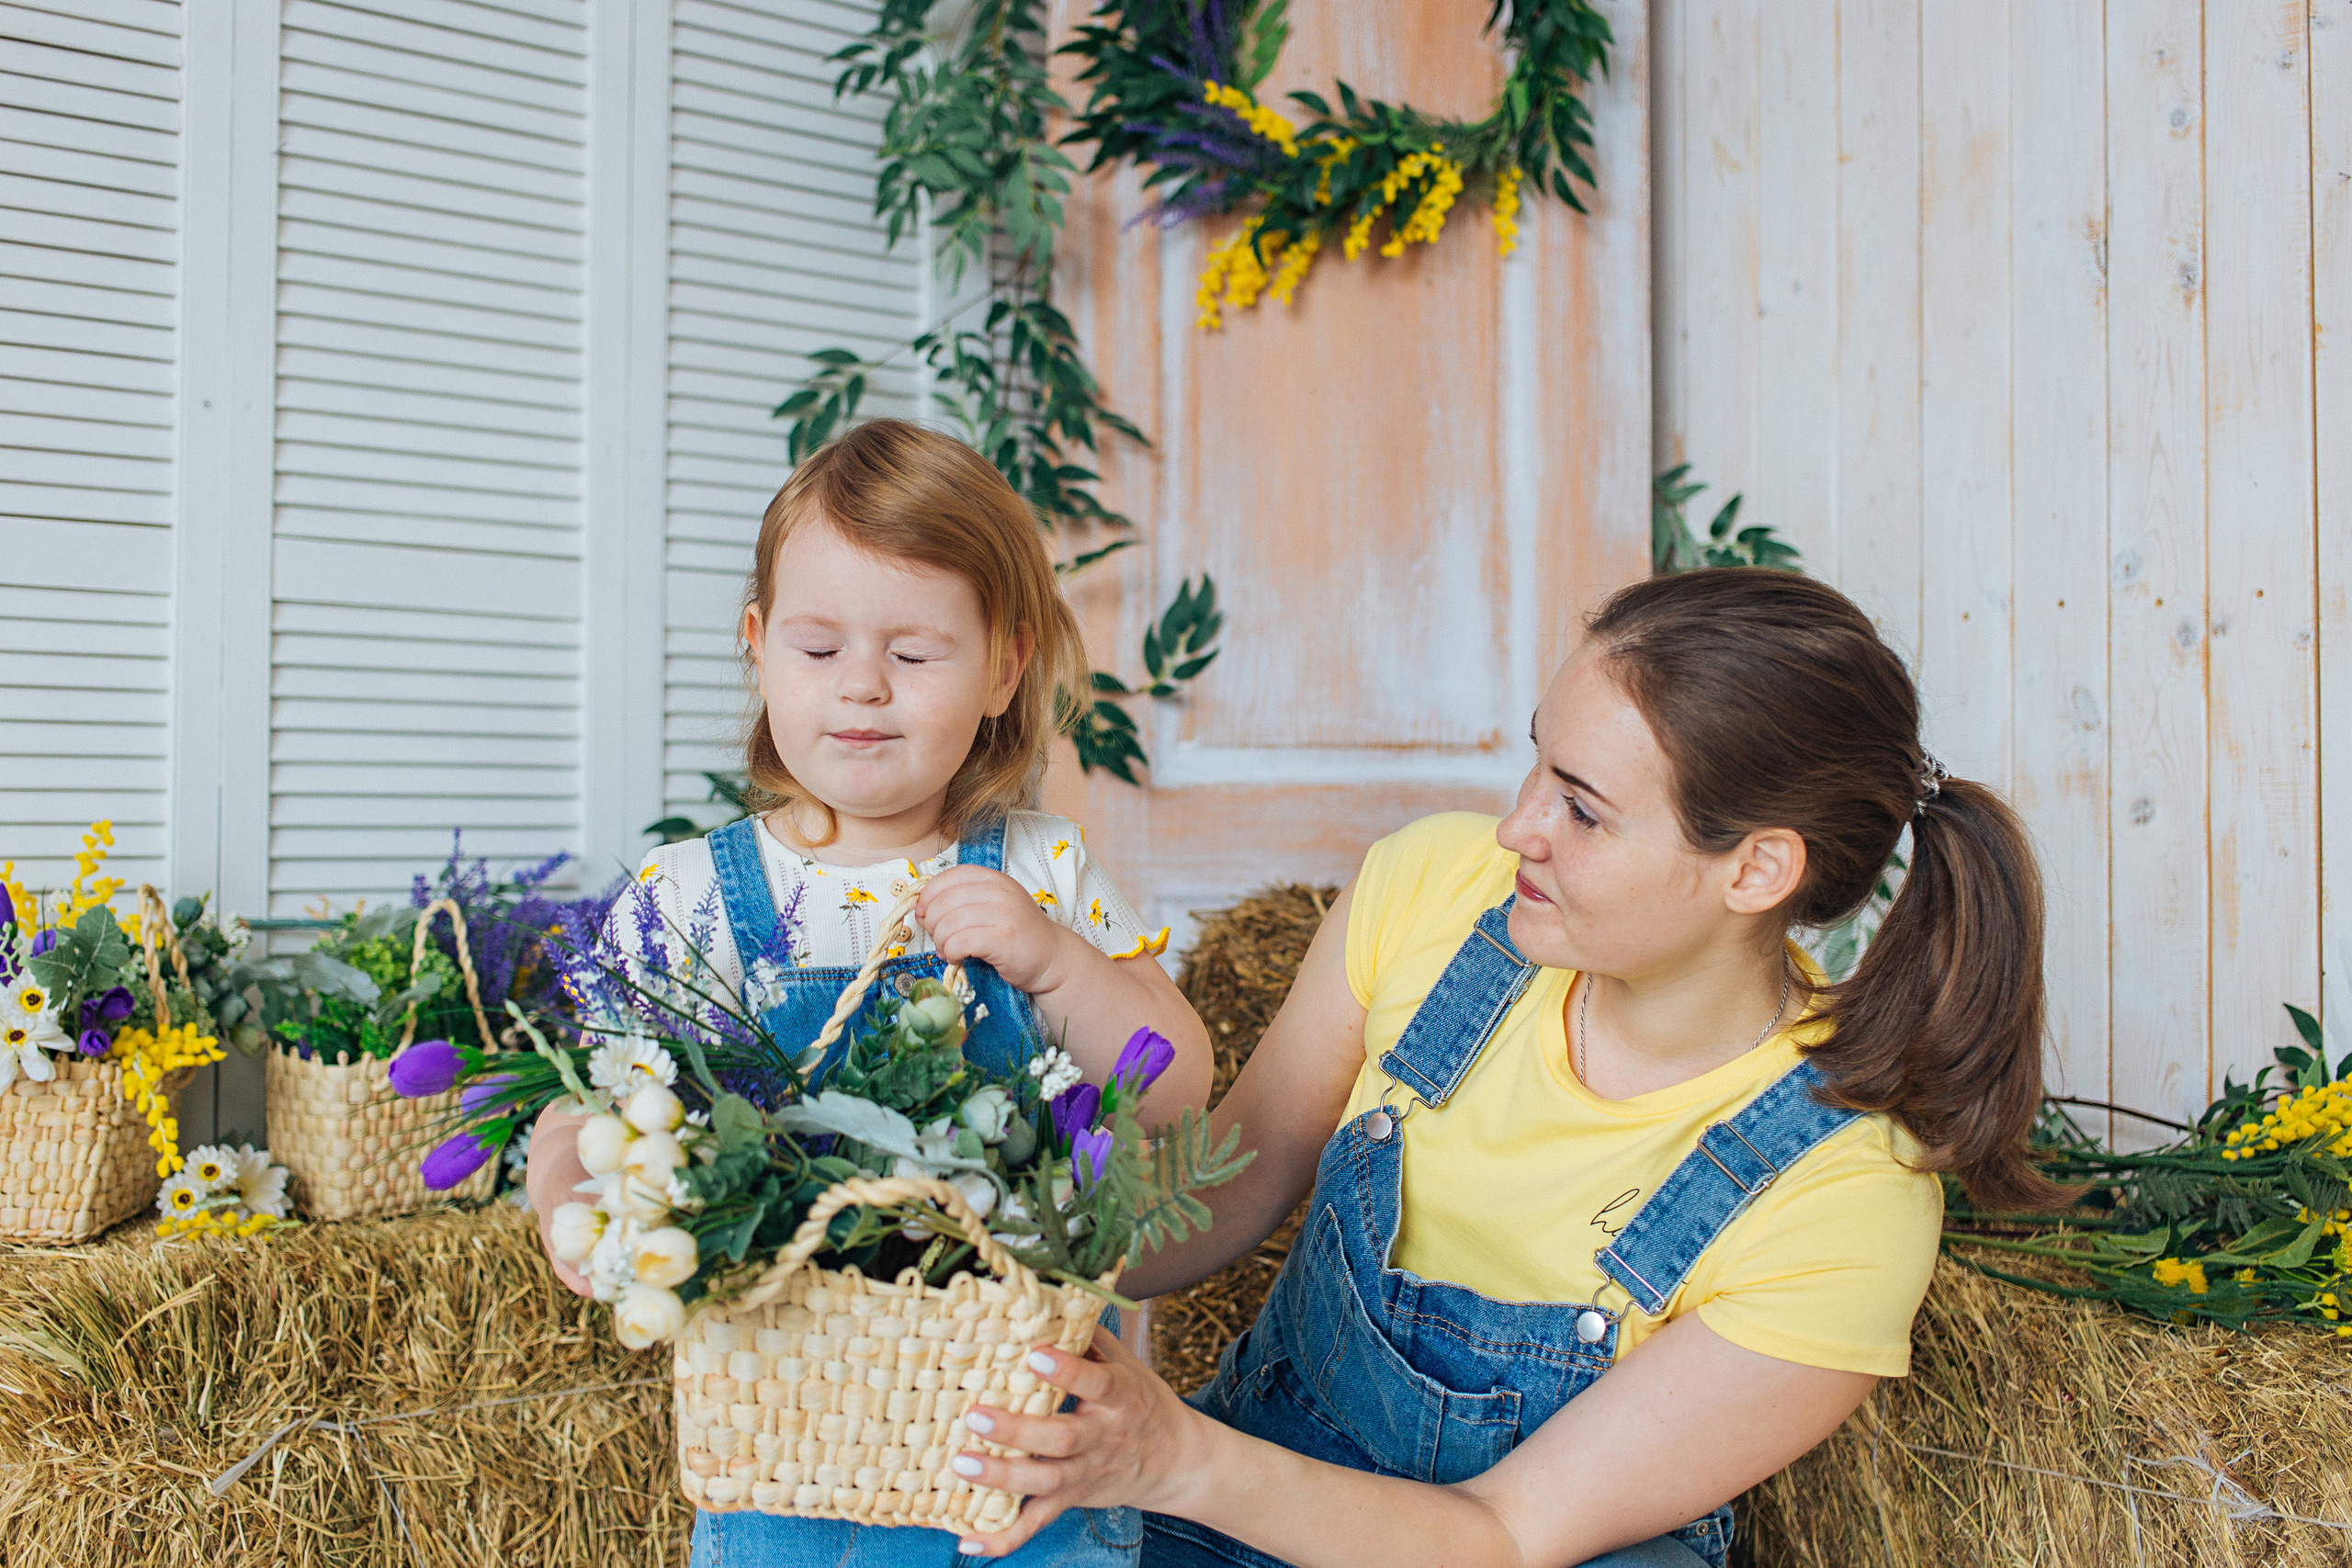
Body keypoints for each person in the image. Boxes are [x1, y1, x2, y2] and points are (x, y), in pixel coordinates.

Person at [939, 569, 2055, 1567]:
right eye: (1538, 760)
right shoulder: (1434, 891)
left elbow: (1506, 1533)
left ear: (1756, 870)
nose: (1518, 827)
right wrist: (983, 1213)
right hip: (1245, 1500)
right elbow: (1230, 1181)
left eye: (1582, 808)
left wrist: (1174, 1458)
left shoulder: (1841, 1195)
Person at [525, 418, 1214, 1568]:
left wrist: (1055, 964)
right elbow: (584, 1105)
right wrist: (568, 1197)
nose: (861, 686)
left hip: (1024, 1450)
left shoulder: (1040, 871)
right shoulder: (690, 895)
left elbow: (1173, 1089)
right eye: (817, 646)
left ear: (1004, 665)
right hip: (786, 1439)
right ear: (756, 647)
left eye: (913, 653)